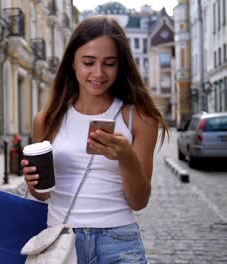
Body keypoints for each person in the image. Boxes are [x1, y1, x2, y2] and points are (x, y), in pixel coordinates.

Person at [22, 16, 169, 263]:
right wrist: (32, 181)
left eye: (109, 63)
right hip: (61, 242)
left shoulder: (139, 118)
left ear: (120, 66)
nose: (98, 73)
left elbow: (139, 201)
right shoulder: (47, 119)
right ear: (72, 63)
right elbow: (43, 195)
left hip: (119, 243)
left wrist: (126, 157)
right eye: (88, 62)